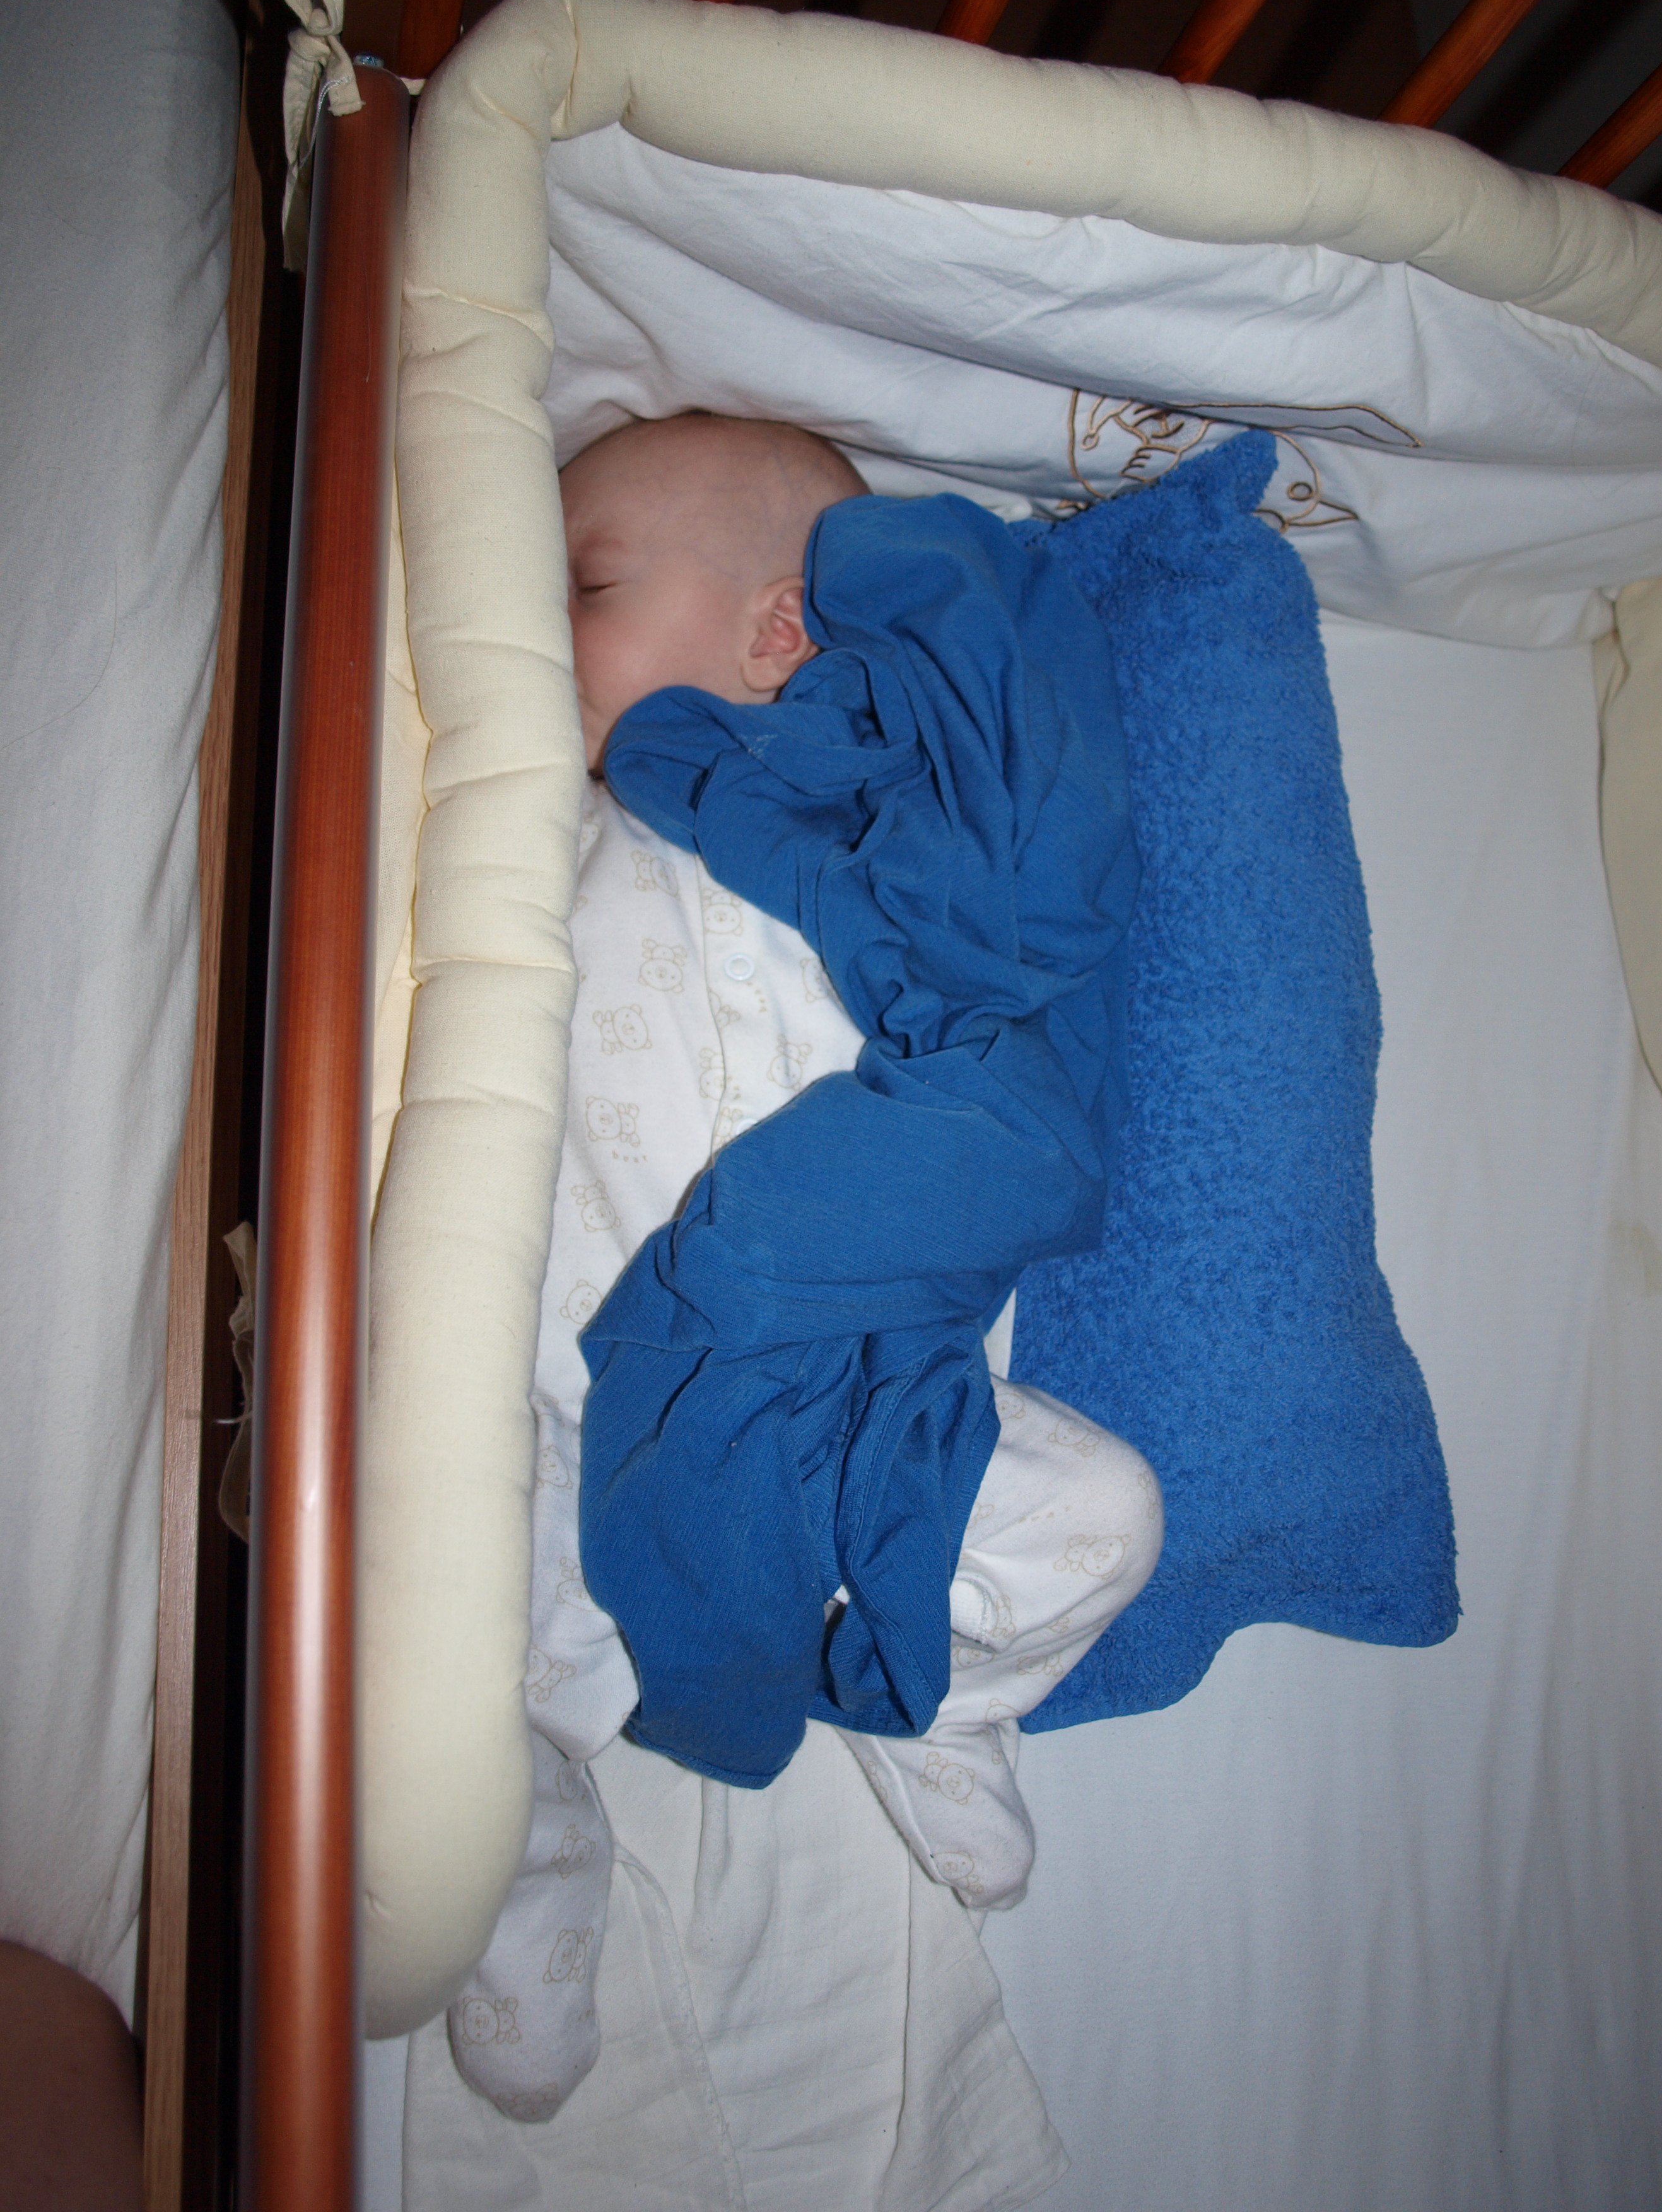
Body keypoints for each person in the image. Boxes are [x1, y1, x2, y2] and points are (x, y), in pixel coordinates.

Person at [449, 413, 1161, 2123]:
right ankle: (528, 1859)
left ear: (777, 628)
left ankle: (941, 1693)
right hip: (553, 1389)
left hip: (859, 1396)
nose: (532, 626)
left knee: (1103, 1514)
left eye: (586, 587)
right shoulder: (545, 830)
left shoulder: (879, 837)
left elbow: (1019, 921)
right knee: (442, 1629)